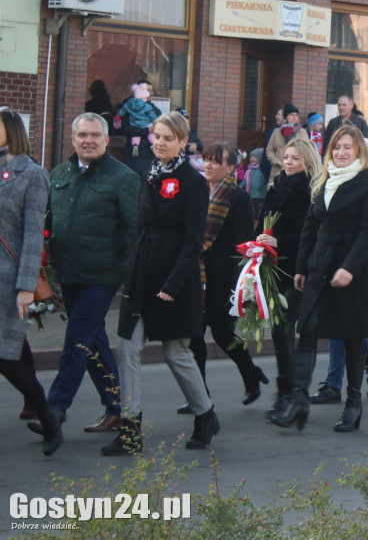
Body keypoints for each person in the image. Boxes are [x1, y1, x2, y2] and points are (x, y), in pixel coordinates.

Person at [108, 111, 217, 455]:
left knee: (175, 352)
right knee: (128, 346)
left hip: (174, 277)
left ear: (184, 142)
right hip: (142, 273)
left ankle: (205, 414)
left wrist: (174, 283)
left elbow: (193, 239)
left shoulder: (194, 182)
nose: (160, 143)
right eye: (156, 136)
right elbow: (140, 228)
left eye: (168, 138)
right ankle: (130, 429)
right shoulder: (148, 175)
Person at [271, 126, 368, 432]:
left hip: (352, 270)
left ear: (358, 151)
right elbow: (310, 226)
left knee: (350, 337)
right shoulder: (325, 180)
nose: (341, 153)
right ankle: (298, 400)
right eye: (336, 147)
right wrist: (301, 268)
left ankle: (354, 403)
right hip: (320, 266)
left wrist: (349, 267)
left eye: (348, 147)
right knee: (307, 328)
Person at [33, 113, 138, 438]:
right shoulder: (60, 174)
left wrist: (133, 277)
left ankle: (56, 409)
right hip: (69, 273)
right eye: (82, 135)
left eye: (94, 135)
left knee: (76, 339)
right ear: (73, 138)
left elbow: (136, 231)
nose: (88, 140)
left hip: (103, 275)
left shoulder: (123, 178)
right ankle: (118, 407)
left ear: (106, 140)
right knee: (92, 341)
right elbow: (51, 219)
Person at [179, 143, 266, 414]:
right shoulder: (196, 191)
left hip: (223, 277)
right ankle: (200, 396)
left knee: (221, 333)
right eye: (206, 160)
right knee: (194, 335)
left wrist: (237, 283)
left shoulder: (238, 198)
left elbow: (243, 242)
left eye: (215, 162)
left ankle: (250, 373)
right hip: (196, 274)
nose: (208, 165)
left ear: (230, 169)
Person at [0, 107, 63, 456]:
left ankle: (48, 417)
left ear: (11, 130)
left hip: (7, 279)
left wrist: (26, 286)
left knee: (6, 358)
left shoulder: (32, 173)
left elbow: (31, 236)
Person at [259, 139, 320, 420]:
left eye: (295, 158)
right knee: (279, 331)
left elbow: (308, 236)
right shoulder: (277, 186)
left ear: (307, 161)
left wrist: (277, 241)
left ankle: (292, 395)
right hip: (276, 267)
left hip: (300, 269)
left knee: (286, 327)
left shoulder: (311, 191)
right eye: (286, 157)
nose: (288, 162)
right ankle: (285, 393)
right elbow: (264, 222)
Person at [115, 80, 161, 177]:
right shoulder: (128, 107)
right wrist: (147, 130)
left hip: (152, 155)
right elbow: (123, 129)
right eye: (147, 90)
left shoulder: (154, 109)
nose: (150, 93)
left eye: (151, 90)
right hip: (134, 155)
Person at [265, 104, 311, 183]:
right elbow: (269, 150)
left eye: (296, 115)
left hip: (296, 171)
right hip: (278, 170)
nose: (294, 117)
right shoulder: (277, 132)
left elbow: (306, 150)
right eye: (292, 115)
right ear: (286, 116)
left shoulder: (302, 132)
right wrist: (276, 161)